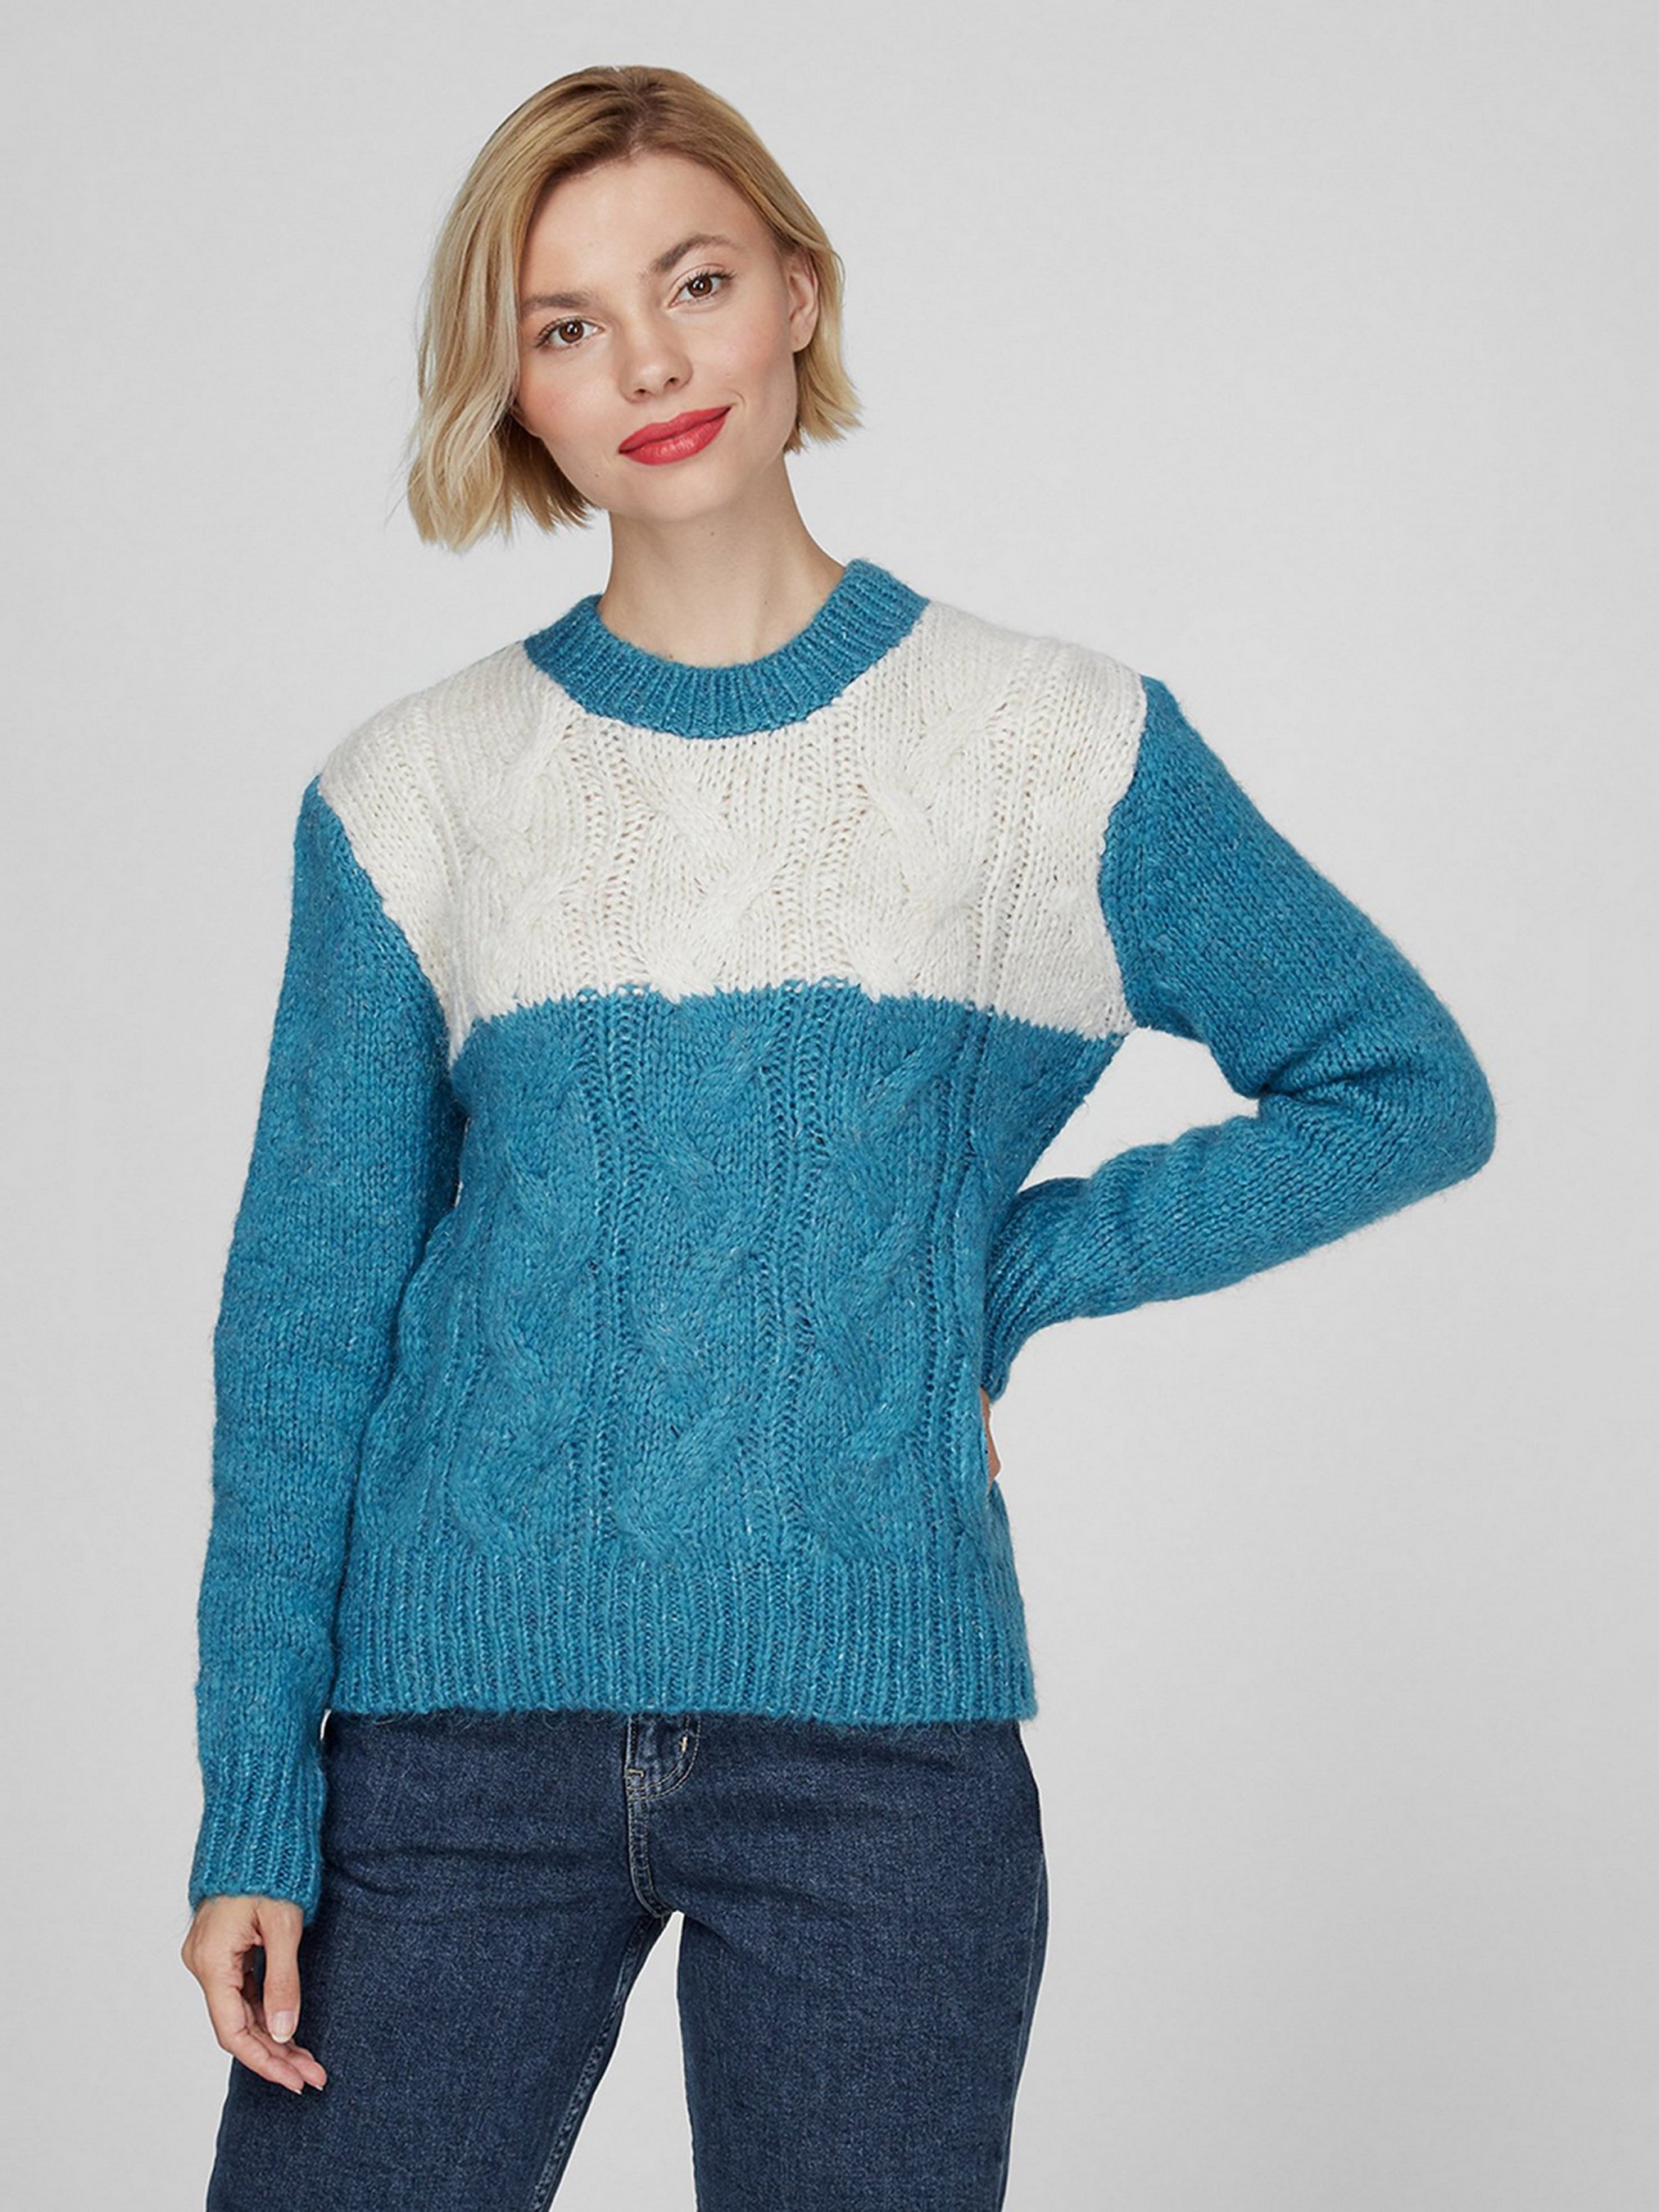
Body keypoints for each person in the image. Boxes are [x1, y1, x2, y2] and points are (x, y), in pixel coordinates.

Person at [178, 61, 1498, 2212]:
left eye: (694, 282)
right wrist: (255, 1793)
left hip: (878, 1754)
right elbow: (306, 1322)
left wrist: (1007, 1270)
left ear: (799, 289)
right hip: (446, 1753)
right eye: (568, 323)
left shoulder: (1049, 747)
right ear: (513, 389)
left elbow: (1397, 1082)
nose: (649, 363)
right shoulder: (414, 792)